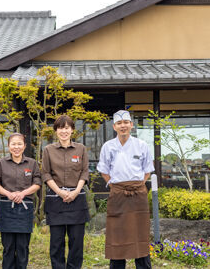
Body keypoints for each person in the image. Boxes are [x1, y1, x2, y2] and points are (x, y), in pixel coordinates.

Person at [97, 110, 154, 269]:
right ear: (114, 126)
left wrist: (138, 185)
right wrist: (114, 186)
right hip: (118, 194)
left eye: (126, 123)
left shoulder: (141, 145)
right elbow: (103, 170)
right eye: (119, 123)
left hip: (138, 194)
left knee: (140, 234)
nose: (123, 126)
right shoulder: (108, 146)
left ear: (131, 125)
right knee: (117, 235)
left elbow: (147, 170)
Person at [42, 115, 90, 269]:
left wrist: (76, 191)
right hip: (56, 200)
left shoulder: (81, 149)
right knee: (56, 242)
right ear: (56, 131)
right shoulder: (48, 150)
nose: (64, 131)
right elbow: (46, 174)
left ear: (72, 130)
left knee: (76, 242)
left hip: (77, 199)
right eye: (61, 128)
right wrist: (60, 192)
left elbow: (84, 172)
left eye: (67, 128)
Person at [0, 133, 41, 269]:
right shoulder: (0, 163)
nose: (16, 147)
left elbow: (37, 183)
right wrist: (9, 194)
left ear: (24, 146)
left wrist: (23, 193)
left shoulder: (32, 163)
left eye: (19, 144)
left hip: (25, 208)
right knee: (8, 247)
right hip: (6, 208)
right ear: (8, 146)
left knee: (23, 247)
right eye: (13, 144)